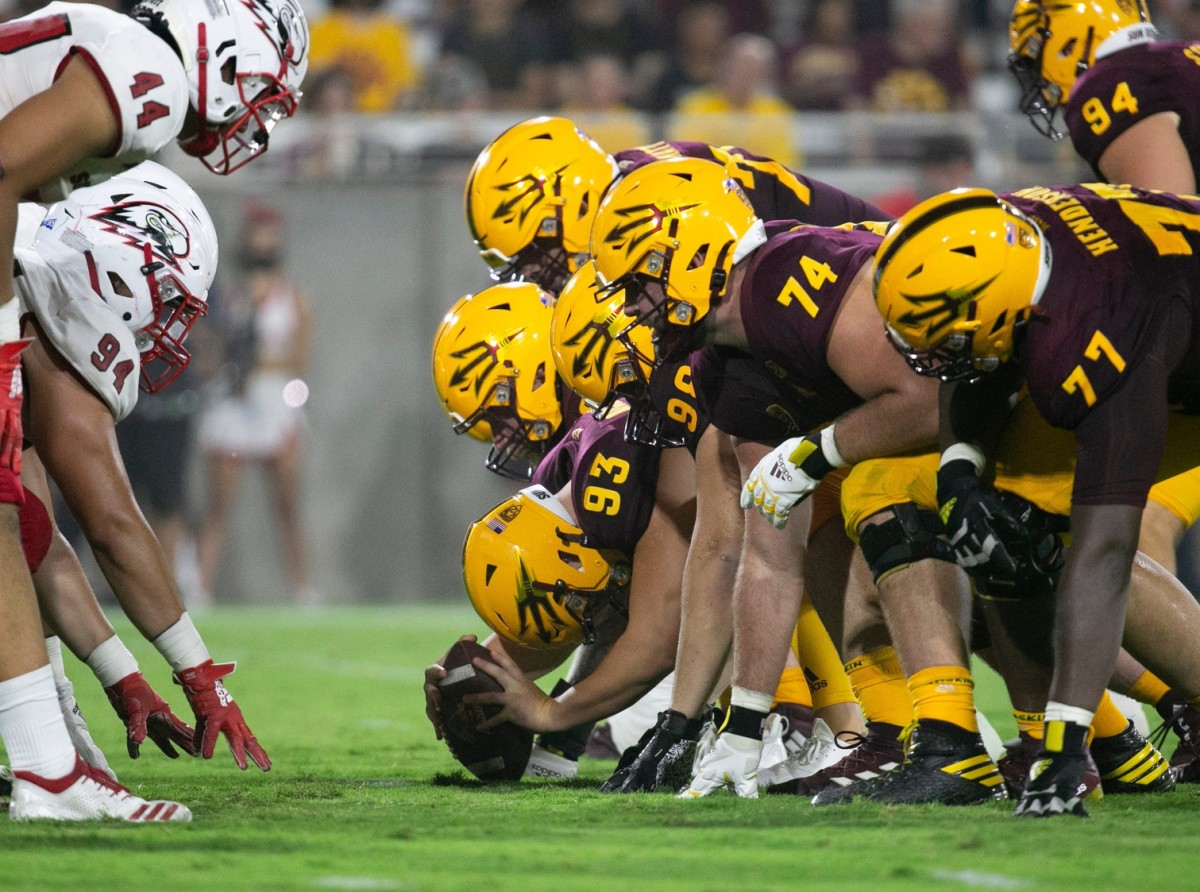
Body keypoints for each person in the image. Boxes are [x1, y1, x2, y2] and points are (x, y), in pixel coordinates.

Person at [590, 157, 1002, 804]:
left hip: (1006, 399)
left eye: (640, 283)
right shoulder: (726, 358)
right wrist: (741, 732)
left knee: (875, 493)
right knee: (817, 525)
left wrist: (818, 450)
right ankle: (899, 731)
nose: (637, 308)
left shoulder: (787, 279)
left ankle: (973, 735)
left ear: (689, 249)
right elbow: (768, 549)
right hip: (953, 418)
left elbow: (927, 399)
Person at [0, 0, 306, 821]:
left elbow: (41, 543)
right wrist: (196, 672)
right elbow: (112, 523)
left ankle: (49, 761)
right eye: (168, 290)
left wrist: (121, 675)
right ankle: (47, 773)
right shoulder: (153, 82)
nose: (167, 320)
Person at [873, 183, 1200, 816]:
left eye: (944, 335)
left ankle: (1070, 748)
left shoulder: (1100, 336)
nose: (929, 358)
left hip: (1162, 341)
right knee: (1001, 522)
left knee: (1046, 531)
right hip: (1158, 309)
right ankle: (1047, 740)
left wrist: (1067, 744)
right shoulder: (1011, 244)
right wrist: (959, 475)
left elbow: (1106, 552)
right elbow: (971, 368)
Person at [1009, 0, 1200, 573]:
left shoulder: (1116, 80)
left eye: (1039, 56)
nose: (1040, 79)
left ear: (1069, 37)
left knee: (1117, 523)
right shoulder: (1180, 61)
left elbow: (1174, 230)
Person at [196, 203, 313, 603]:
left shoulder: (291, 297)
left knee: (287, 504)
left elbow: (299, 358)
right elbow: (209, 351)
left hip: (275, 401)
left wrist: (255, 359)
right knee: (219, 504)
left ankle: (302, 589)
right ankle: (199, 588)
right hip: (233, 402)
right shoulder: (229, 296)